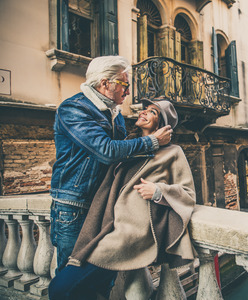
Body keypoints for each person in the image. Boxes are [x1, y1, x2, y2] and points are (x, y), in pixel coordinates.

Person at [49, 99, 196, 300]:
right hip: (106, 225)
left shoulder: (173, 152)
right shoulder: (128, 147)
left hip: (131, 234)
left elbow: (188, 193)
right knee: (92, 290)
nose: (143, 112)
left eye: (152, 112)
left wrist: (158, 191)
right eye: (144, 109)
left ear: (162, 124)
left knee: (59, 288)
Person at [50, 56, 173, 272]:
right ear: (105, 83)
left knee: (101, 271)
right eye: (124, 84)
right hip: (74, 205)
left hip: (102, 204)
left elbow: (121, 158)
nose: (127, 92)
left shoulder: (113, 114)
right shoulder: (73, 109)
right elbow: (107, 151)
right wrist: (152, 141)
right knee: (70, 273)